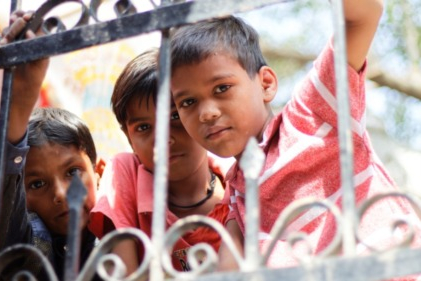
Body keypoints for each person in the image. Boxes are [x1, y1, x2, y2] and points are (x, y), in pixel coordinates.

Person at [169, 0, 421, 270]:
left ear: (266, 84)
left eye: (221, 88)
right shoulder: (237, 191)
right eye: (187, 103)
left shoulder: (310, 112)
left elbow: (364, 15)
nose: (206, 113)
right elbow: (227, 273)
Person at [0, 11, 102, 279]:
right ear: (22, 198)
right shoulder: (28, 245)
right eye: (37, 184)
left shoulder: (123, 227)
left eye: (73, 172)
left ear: (98, 172)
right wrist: (20, 100)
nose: (61, 194)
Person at [88, 49, 230, 273]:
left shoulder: (240, 185)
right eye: (143, 128)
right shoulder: (126, 173)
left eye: (174, 117)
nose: (163, 138)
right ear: (129, 138)